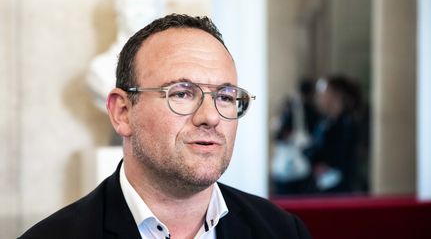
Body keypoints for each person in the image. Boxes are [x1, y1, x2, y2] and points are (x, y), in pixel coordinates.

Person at [19, 14, 311, 239]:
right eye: (182, 93)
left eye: (224, 96)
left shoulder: (282, 230)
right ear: (122, 112)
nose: (210, 116)